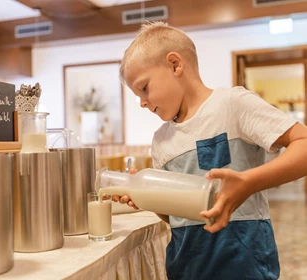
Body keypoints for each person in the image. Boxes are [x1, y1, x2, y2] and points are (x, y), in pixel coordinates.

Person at [113, 21, 307, 280]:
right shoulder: (161, 140)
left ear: (175, 65)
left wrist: (248, 182)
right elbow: (177, 216)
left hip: (245, 269)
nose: (142, 102)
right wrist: (145, 199)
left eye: (144, 88)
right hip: (186, 270)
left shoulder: (233, 104)